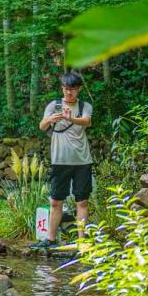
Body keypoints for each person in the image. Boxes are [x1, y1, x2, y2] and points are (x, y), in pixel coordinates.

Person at [34, 71, 93, 249]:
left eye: (72, 89)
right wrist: (50, 119)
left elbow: (86, 122)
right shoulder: (54, 105)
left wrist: (70, 118)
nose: (69, 93)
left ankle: (82, 241)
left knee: (82, 201)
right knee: (55, 201)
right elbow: (42, 126)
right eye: (66, 89)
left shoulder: (85, 106)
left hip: (82, 160)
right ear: (62, 88)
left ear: (79, 89)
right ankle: (50, 239)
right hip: (59, 160)